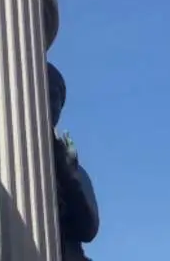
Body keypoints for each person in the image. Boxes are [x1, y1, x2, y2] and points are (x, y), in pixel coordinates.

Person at [46, 64, 100, 260]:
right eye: (45, 94)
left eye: (56, 99)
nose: (51, 105)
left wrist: (68, 174)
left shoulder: (73, 169)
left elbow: (88, 229)